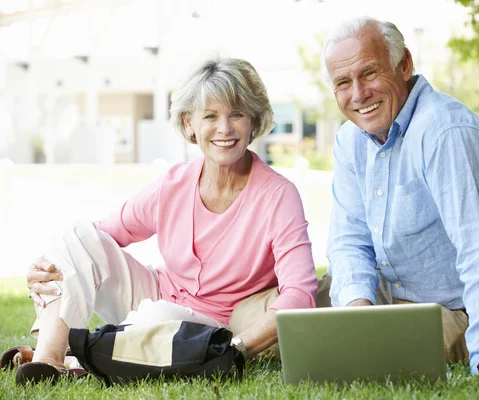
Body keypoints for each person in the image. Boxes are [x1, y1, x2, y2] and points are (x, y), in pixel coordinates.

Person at [3, 58, 318, 384]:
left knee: (156, 318)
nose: (224, 128)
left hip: (212, 325)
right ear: (190, 123)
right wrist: (48, 266)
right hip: (156, 294)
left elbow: (300, 292)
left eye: (236, 114)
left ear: (254, 120)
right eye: (210, 116)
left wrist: (236, 349)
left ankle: (75, 357)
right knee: (77, 236)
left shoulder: (279, 195)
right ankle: (48, 360)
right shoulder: (174, 183)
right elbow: (98, 236)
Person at [322, 16, 479, 376]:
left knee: (375, 358)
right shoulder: (349, 140)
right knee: (294, 317)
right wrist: (356, 311)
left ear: (403, 64)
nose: (358, 94)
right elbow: (349, 241)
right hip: (395, 296)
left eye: (369, 74)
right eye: (344, 82)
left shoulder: (446, 133)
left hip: (457, 309)